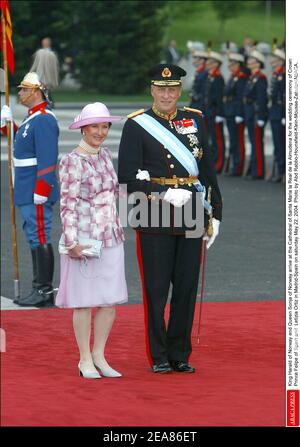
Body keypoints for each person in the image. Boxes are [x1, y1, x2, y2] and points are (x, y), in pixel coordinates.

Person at [118, 64, 222, 374]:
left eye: (172, 89)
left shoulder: (196, 120)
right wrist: (160, 193)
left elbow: (208, 170)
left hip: (191, 207)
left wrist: (216, 213)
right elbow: (126, 176)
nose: (167, 94)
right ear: (151, 89)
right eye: (161, 89)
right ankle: (159, 354)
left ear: (180, 91)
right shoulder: (137, 125)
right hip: (152, 210)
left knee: (187, 286)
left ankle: (180, 353)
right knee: (156, 286)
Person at [55, 103, 128, 379]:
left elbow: (114, 194)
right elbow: (68, 204)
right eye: (95, 126)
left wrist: (149, 196)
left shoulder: (106, 155)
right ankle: (84, 358)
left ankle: (99, 354)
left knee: (109, 301)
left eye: (104, 126)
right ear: (83, 129)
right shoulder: (72, 161)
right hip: (84, 240)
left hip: (111, 236)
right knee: (84, 301)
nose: (100, 132)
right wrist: (72, 242)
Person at [1, 72, 59, 307]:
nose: (20, 93)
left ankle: (44, 291)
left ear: (36, 92)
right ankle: (39, 289)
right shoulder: (33, 117)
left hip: (36, 188)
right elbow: (23, 143)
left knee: (40, 234)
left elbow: (47, 157)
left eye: (24, 90)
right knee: (33, 235)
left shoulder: (44, 118)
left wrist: (42, 188)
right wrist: (7, 126)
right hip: (27, 186)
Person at [243, 50, 268, 179]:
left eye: (251, 59)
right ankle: (253, 168)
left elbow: (262, 98)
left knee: (257, 143)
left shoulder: (260, 78)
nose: (248, 61)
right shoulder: (252, 77)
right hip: (250, 113)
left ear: (258, 63)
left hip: (256, 114)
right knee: (253, 142)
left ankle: (258, 171)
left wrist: (261, 116)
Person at [223, 53, 248, 176]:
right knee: (233, 140)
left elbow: (240, 97)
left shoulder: (241, 77)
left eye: (231, 64)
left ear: (238, 64)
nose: (229, 66)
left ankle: (238, 166)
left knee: (238, 140)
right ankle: (233, 165)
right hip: (229, 112)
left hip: (235, 113)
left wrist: (239, 113)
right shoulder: (233, 76)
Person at [203, 51, 226, 173]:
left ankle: (219, 163)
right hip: (208, 112)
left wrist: (220, 114)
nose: (208, 63)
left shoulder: (218, 78)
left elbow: (219, 98)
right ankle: (213, 161)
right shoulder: (210, 76)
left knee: (218, 139)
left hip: (215, 113)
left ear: (216, 64)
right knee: (211, 139)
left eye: (210, 62)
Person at [268, 48, 286, 183]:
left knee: (281, 144)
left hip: (280, 113)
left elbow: (286, 96)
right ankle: (279, 171)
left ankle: (283, 171)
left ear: (280, 61)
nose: (272, 61)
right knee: (277, 144)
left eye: (274, 59)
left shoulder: (283, 75)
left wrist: (285, 115)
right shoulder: (276, 74)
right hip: (274, 113)